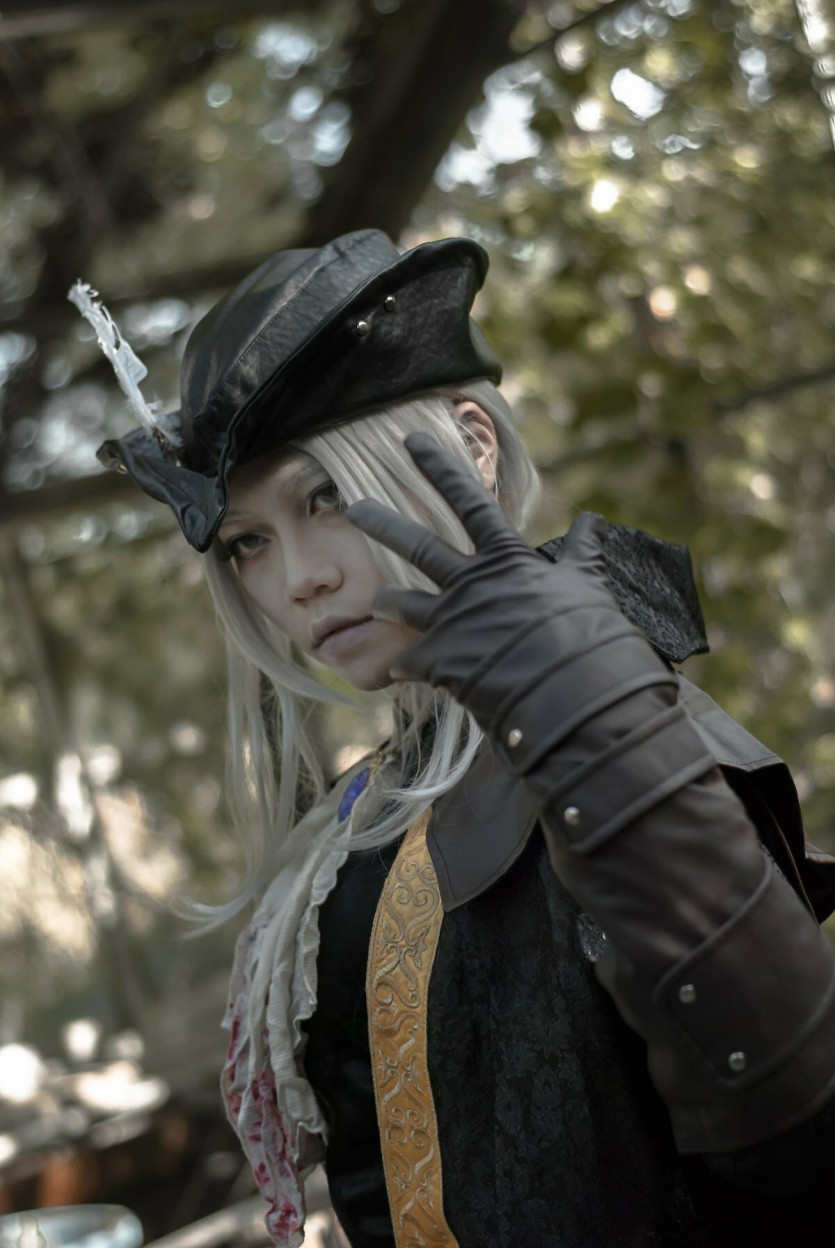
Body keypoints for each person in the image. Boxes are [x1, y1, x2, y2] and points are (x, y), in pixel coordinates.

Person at [83, 230, 835, 1247]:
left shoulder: (620, 728)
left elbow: (794, 1146)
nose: (298, 578)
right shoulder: (368, 809)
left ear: (472, 444)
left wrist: (596, 730)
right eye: (247, 542)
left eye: (324, 497)